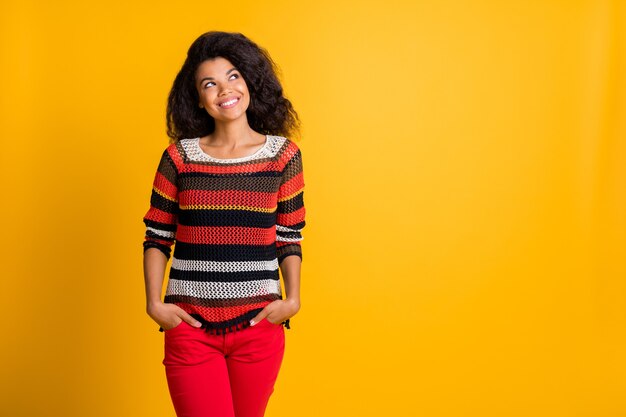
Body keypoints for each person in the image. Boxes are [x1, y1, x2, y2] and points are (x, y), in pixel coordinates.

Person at [141, 31, 306, 417]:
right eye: (209, 83)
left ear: (250, 81)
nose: (224, 90)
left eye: (233, 76)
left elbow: (289, 234)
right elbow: (157, 235)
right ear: (198, 98)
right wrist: (154, 304)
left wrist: (292, 300)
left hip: (259, 326)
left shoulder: (284, 157)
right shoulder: (178, 158)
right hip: (190, 329)